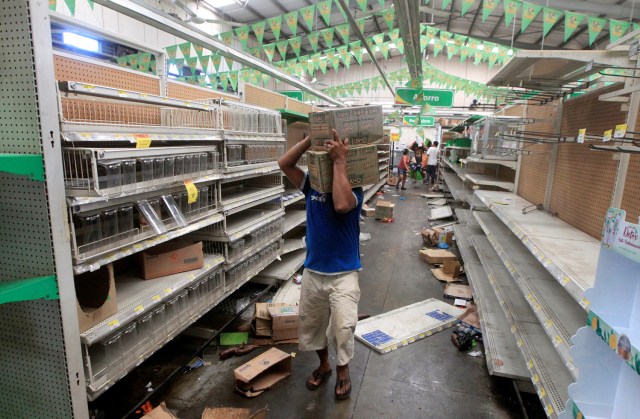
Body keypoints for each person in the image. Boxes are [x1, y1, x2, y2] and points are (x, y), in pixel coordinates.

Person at [278, 129, 362, 401]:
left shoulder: (355, 188)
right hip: (314, 271)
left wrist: (340, 162)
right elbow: (284, 164)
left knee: (343, 326)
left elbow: (340, 205)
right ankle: (324, 364)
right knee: (313, 326)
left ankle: (343, 369)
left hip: (344, 273)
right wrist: (308, 141)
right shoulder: (310, 186)